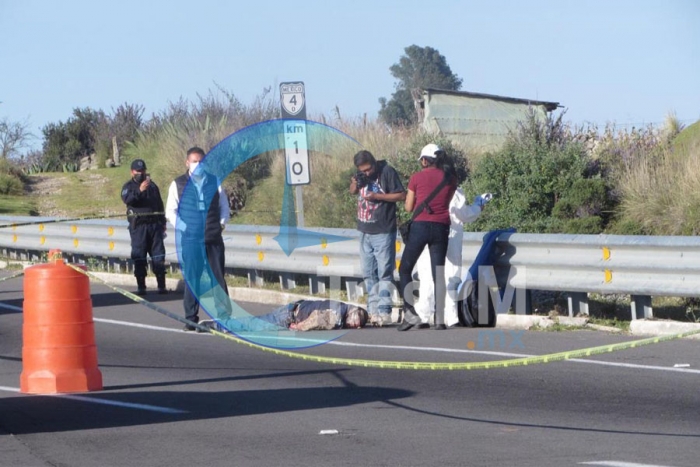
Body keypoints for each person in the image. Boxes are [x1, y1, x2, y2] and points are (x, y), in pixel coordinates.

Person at [165, 146, 231, 332]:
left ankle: (224, 317)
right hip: (191, 240)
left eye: (201, 161)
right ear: (187, 163)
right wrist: (184, 228)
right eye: (194, 161)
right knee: (192, 279)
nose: (198, 165)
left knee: (217, 278)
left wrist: (221, 223)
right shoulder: (177, 184)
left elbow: (224, 206)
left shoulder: (214, 181)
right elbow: (170, 211)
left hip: (212, 238)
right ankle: (191, 318)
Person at [397, 144, 458, 331]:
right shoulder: (450, 178)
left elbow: (408, 208)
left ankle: (410, 314)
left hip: (420, 226)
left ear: (425, 160)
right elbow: (447, 203)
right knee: (438, 273)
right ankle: (439, 319)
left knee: (405, 269)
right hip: (441, 227)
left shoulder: (416, 177)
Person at [413, 188, 490, 329]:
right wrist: (478, 206)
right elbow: (463, 214)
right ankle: (451, 316)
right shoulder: (453, 189)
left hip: (425, 232)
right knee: (451, 276)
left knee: (427, 276)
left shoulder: (423, 184)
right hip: (450, 233)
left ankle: (423, 316)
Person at [349, 150, 406, 327]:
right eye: (363, 171)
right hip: (364, 230)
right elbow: (352, 192)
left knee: (384, 272)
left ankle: (384, 311)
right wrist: (354, 183)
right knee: (368, 273)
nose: (367, 173)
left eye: (368, 169)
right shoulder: (360, 175)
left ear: (374, 163)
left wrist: (377, 196)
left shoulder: (387, 172)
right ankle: (372, 310)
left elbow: (401, 195)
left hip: (383, 230)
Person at [120, 159, 168, 295]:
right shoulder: (128, 187)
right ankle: (141, 286)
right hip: (139, 227)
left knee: (158, 255)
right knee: (139, 256)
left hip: (154, 226)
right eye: (138, 171)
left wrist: (162, 222)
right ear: (132, 172)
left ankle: (161, 285)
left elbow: (159, 204)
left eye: (143, 171)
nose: (141, 173)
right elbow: (127, 200)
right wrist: (140, 191)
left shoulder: (152, 186)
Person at [201, 299, 368, 332]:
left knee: (255, 322)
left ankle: (219, 324)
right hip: (288, 316)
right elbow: (318, 318)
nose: (356, 325)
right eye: (356, 322)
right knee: (253, 325)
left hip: (294, 308)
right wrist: (300, 327)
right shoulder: (337, 314)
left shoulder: (345, 306)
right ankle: (217, 325)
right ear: (352, 313)